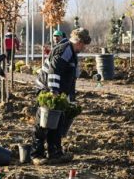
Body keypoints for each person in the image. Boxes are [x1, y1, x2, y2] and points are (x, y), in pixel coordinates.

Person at [31, 28, 92, 163]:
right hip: (47, 89)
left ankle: (55, 153)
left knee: (57, 122)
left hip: (58, 91)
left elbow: (70, 78)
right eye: (83, 45)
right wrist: (53, 91)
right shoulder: (65, 50)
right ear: (79, 42)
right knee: (43, 122)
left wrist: (70, 97)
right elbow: (54, 69)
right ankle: (36, 154)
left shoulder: (72, 52)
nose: (84, 48)